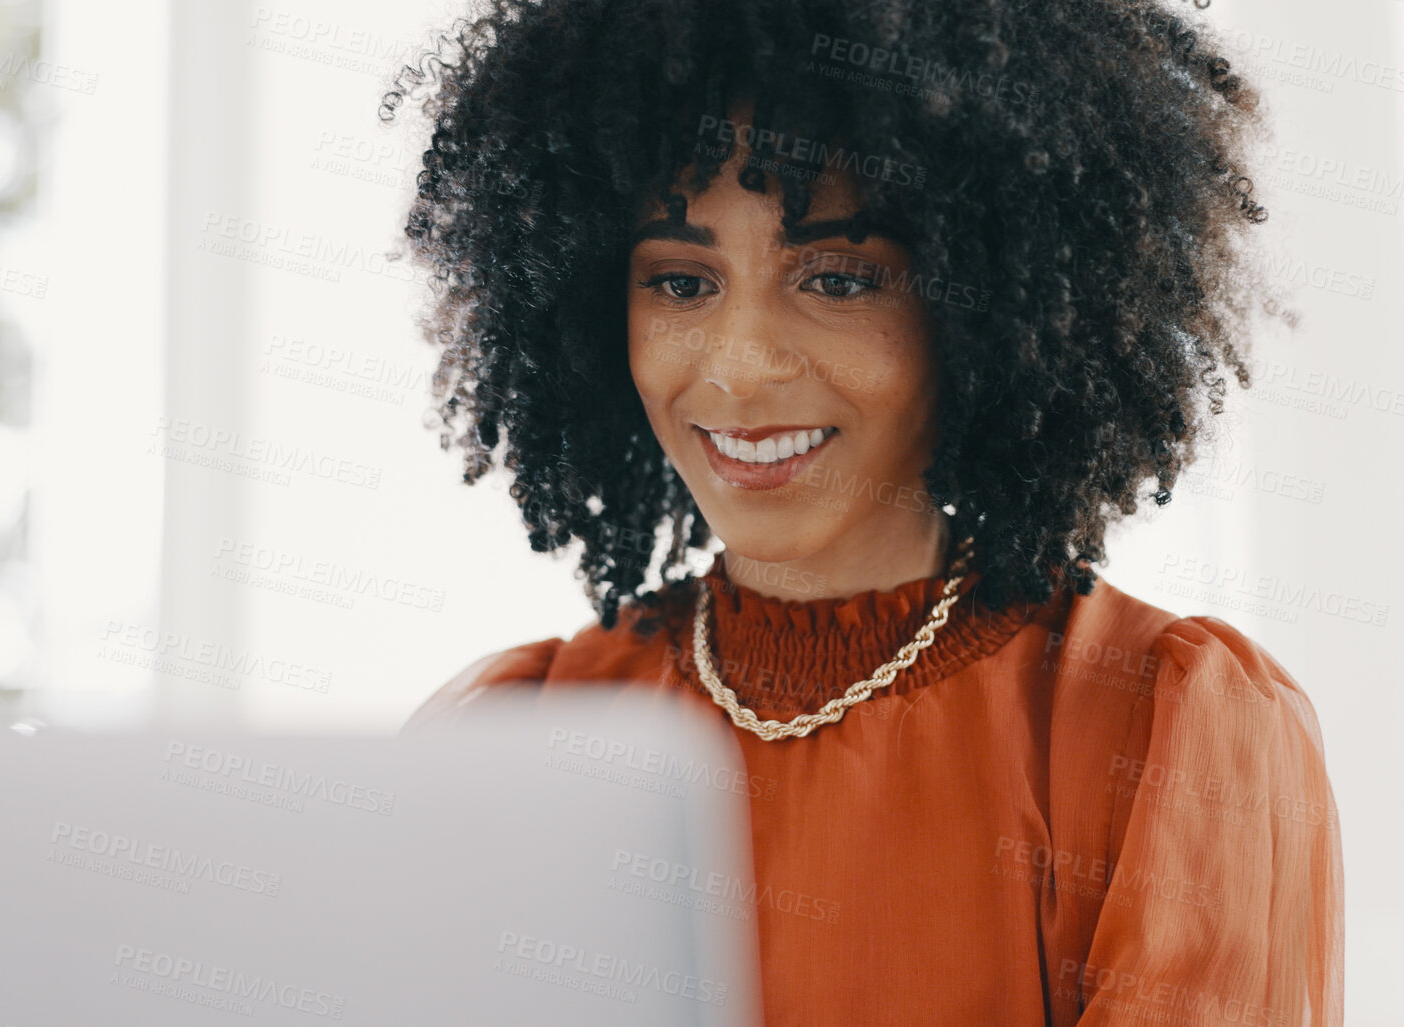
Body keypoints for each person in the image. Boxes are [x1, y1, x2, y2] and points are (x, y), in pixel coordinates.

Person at [385, 0, 1342, 1022]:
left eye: (837, 278)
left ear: (977, 306)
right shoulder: (526, 738)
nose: (742, 369)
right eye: (679, 280)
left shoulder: (1155, 733)